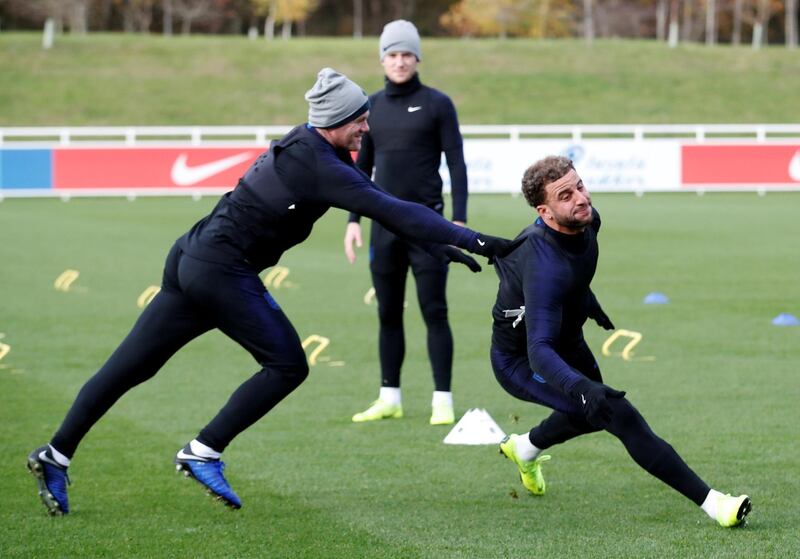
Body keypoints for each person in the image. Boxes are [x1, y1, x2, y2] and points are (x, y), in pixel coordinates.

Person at [27, 67, 516, 516]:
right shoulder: (322, 165)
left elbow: (385, 210)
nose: (366, 129)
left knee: (129, 367)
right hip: (222, 270)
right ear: (335, 121)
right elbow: (390, 208)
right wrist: (478, 241)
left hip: (192, 257)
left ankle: (55, 454)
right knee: (287, 364)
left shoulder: (306, 144)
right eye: (359, 121)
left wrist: (433, 247)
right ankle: (202, 450)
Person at [490, 155, 752, 528]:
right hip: (522, 362)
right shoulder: (542, 263)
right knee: (615, 412)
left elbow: (576, 272)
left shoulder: (588, 220)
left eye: (579, 185)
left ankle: (525, 447)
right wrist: (579, 384)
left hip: (568, 339)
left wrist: (587, 303)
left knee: (591, 412)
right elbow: (538, 350)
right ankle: (716, 505)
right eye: (565, 195)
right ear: (545, 212)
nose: (581, 198)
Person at [345, 20, 468, 426]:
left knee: (435, 311)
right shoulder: (371, 106)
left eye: (406, 54)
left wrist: (459, 219)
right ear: (382, 59)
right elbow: (361, 168)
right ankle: (389, 396)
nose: (399, 61)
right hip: (384, 227)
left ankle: (442, 401)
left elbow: (456, 163)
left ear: (417, 58)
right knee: (387, 313)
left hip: (429, 226)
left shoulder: (437, 104)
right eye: (392, 54)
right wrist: (353, 220)